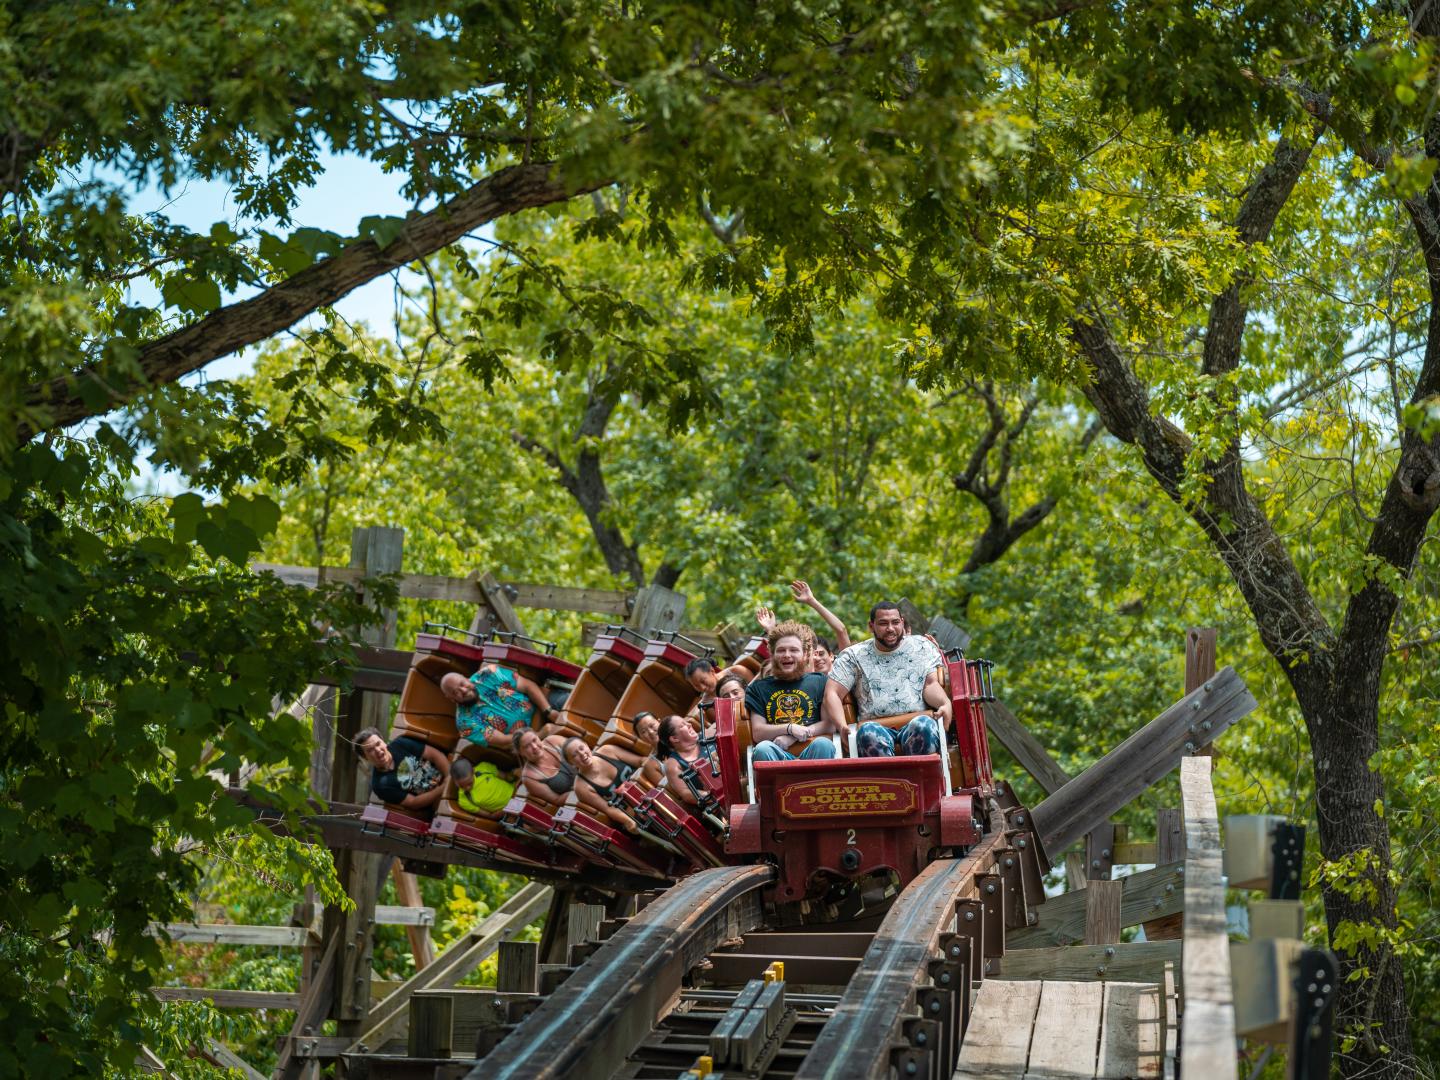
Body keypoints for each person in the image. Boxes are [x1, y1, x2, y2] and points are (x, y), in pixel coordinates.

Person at [822, 601, 951, 758]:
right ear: (871, 626)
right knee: (868, 732)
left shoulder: (921, 646)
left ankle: (921, 781)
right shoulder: (854, 655)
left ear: (902, 622)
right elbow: (832, 693)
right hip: (875, 726)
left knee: (924, 725)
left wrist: (945, 703)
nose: (890, 629)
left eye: (895, 622)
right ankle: (890, 782)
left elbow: (930, 684)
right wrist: (841, 725)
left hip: (915, 721)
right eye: (883, 623)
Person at [746, 622, 838, 762]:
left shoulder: (820, 681)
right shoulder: (758, 688)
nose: (787, 655)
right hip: (777, 754)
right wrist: (789, 728)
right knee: (763, 747)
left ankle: (816, 784)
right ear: (772, 654)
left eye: (794, 650)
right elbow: (758, 732)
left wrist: (793, 736)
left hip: (812, 751)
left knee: (823, 744)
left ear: (805, 654)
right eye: (781, 650)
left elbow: (829, 725)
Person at [440, 665, 558, 751]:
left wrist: (548, 711)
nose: (464, 690)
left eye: (462, 684)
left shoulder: (488, 674)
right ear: (452, 699)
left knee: (565, 703)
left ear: (465, 677)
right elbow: (505, 741)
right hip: (527, 742)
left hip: (542, 705)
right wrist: (539, 735)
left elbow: (528, 686)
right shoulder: (465, 724)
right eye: (456, 692)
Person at [356, 726, 448, 811]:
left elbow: (435, 755)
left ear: (384, 742)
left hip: (447, 774)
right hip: (436, 803)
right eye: (370, 750)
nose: (377, 750)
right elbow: (413, 802)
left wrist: (449, 778)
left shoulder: (400, 744)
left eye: (378, 744)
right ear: (365, 757)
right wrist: (442, 789)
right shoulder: (380, 785)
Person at [561, 738, 642, 833]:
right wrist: (628, 820)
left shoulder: (607, 751)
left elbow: (641, 761)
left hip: (644, 789)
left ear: (587, 745)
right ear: (571, 763)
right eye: (575, 755)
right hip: (631, 813)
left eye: (582, 748)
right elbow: (608, 809)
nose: (582, 754)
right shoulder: (581, 787)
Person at [656, 713, 720, 807]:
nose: (689, 725)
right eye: (683, 725)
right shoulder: (673, 764)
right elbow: (685, 793)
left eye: (687, 722)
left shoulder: (707, 734)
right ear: (674, 738)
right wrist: (715, 795)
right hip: (719, 799)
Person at [513, 728, 576, 808]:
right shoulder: (529, 777)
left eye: (534, 740)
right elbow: (557, 800)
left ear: (538, 737)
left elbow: (583, 751)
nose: (534, 746)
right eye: (527, 746)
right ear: (521, 752)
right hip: (576, 801)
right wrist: (579, 790)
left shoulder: (554, 741)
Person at [450, 756, 516, 816]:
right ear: (454, 781)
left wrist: (515, 773)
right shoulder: (463, 801)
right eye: (461, 786)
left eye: (470, 783)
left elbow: (506, 777)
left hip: (517, 793)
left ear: (473, 771)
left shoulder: (483, 768)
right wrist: (507, 809)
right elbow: (490, 815)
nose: (467, 788)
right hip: (509, 812)